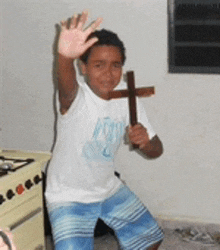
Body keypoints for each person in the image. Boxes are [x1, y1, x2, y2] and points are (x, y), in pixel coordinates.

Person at [45, 10, 164, 250]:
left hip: (107, 187)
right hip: (69, 196)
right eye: (98, 65)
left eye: (115, 65)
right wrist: (64, 57)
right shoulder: (76, 98)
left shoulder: (126, 96)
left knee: (151, 238)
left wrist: (146, 142)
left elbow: (157, 149)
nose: (108, 74)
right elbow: (65, 86)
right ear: (83, 67)